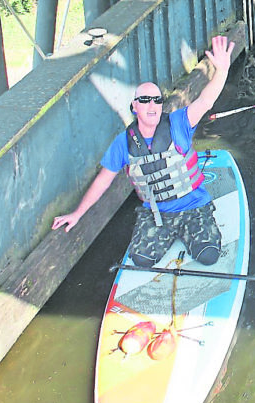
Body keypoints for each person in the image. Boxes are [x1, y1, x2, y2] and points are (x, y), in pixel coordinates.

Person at [52, 35, 235, 268]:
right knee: (141, 259)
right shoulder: (123, 143)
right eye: (145, 100)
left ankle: (196, 233)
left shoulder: (179, 122)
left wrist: (222, 70)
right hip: (157, 214)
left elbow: (205, 100)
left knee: (208, 256)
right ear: (134, 106)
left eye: (156, 100)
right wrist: (77, 213)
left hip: (193, 206)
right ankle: (170, 236)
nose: (151, 106)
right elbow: (102, 181)